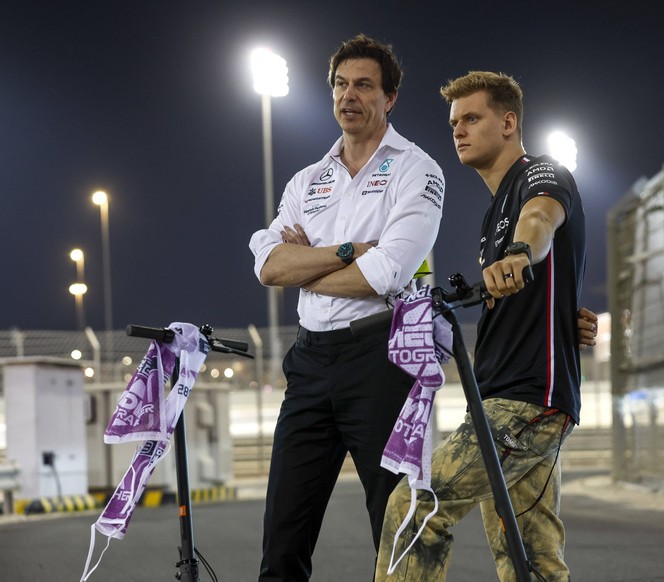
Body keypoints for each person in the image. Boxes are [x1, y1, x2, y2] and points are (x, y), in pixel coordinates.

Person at [376, 71, 587, 582]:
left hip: (524, 399)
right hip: (512, 396)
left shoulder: (539, 174)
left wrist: (519, 251)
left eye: (472, 118)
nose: (459, 130)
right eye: (454, 122)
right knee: (530, 557)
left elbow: (540, 219)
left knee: (414, 508)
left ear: (509, 121)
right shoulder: (493, 210)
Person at [248, 34, 445, 581]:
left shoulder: (418, 170)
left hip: (381, 360)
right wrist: (342, 253)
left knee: (398, 532)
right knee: (282, 538)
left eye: (363, 84)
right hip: (310, 364)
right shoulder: (306, 180)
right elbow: (268, 267)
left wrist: (305, 267)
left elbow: (387, 273)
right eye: (340, 84)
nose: (349, 95)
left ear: (390, 98)